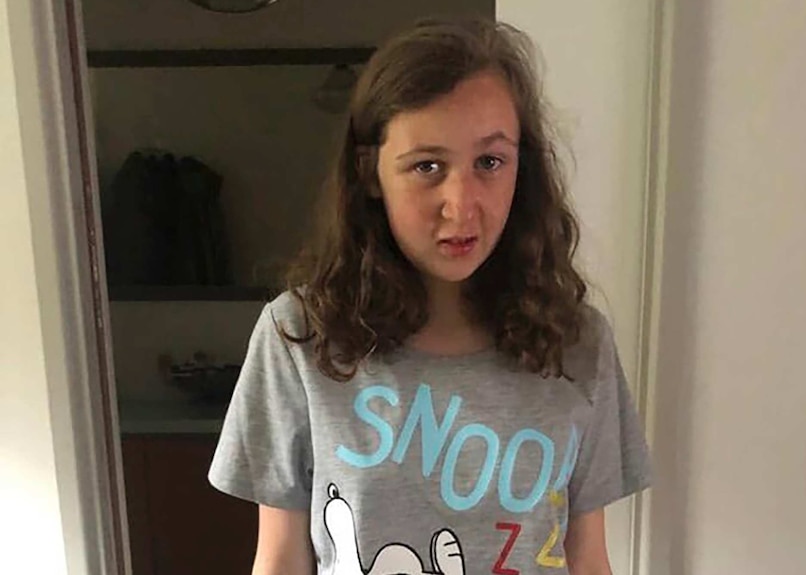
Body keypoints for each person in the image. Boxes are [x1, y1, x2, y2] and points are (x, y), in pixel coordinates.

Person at [209, 17, 650, 575]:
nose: (462, 204)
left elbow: (589, 558)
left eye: (490, 162)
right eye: (427, 166)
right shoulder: (299, 336)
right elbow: (279, 559)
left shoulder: (578, 342)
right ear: (371, 173)